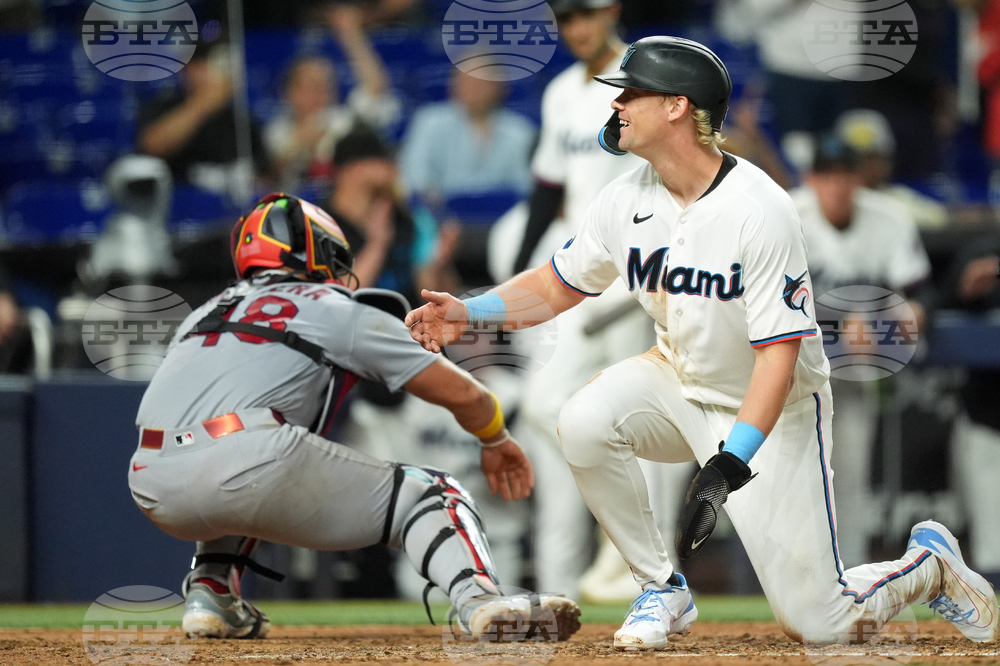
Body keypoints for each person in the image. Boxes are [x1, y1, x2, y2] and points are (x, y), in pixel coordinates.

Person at [406, 36, 1000, 649]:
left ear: (677, 107)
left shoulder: (760, 208)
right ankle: (661, 587)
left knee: (821, 622)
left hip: (773, 413)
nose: (618, 104)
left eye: (633, 92)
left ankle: (928, 563)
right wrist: (470, 312)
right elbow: (558, 285)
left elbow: (780, 354)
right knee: (581, 418)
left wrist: (729, 461)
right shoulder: (623, 199)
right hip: (678, 382)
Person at [127, 192, 581, 640]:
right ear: (318, 253)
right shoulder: (333, 306)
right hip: (246, 460)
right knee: (435, 494)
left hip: (150, 475)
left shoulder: (204, 312)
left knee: (234, 483)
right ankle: (480, 602)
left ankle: (210, 593)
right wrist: (495, 440)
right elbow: (467, 395)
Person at [506, 0, 672, 601]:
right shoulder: (559, 93)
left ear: (611, 11)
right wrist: (514, 269)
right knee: (549, 408)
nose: (577, 28)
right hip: (583, 265)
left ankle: (636, 549)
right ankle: (612, 533)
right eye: (565, 18)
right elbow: (548, 187)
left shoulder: (645, 75)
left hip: (633, 274)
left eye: (586, 14)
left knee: (629, 410)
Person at [791, 134, 932, 568]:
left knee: (849, 476)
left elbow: (920, 294)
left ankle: (846, 574)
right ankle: (795, 577)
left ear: (859, 179)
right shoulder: (787, 213)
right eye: (827, 176)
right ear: (811, 179)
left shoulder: (888, 218)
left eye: (846, 175)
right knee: (792, 477)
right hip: (788, 370)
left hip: (851, 372)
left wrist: (896, 314)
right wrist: (846, 313)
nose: (838, 186)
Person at [264, 6, 401, 191]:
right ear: (290, 92)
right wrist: (298, 145)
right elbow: (268, 177)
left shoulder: (343, 122)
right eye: (311, 86)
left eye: (324, 86)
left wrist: (352, 36)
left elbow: (375, 88)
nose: (318, 94)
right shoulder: (277, 131)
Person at [137, 43, 271, 199]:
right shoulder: (165, 104)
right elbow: (152, 146)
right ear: (189, 71)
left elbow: (264, 174)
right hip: (176, 206)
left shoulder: (241, 119)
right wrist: (202, 104)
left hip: (228, 211)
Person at [400, 71, 536, 207]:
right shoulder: (429, 122)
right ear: (454, 85)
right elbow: (415, 175)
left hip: (503, 218)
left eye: (481, 83)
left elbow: (526, 185)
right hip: (441, 217)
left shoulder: (520, 132)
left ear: (498, 87)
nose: (473, 89)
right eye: (466, 81)